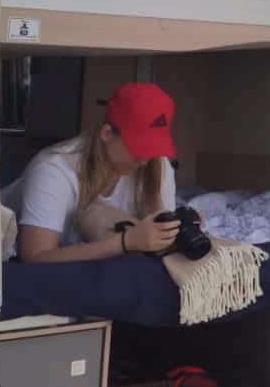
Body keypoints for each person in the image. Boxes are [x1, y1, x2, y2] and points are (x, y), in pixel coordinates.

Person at [16, 82, 181, 263]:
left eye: (153, 149)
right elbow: (34, 257)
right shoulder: (54, 169)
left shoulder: (158, 166)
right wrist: (124, 243)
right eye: (138, 148)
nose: (144, 160)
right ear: (107, 133)